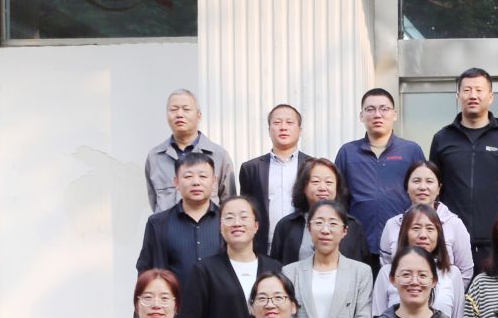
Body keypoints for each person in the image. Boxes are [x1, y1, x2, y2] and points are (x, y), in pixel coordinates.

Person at [428, 67, 498, 256]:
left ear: (491, 96)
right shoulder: (442, 138)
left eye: (479, 90)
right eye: (467, 90)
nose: (473, 95)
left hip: (496, 241)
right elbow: (436, 188)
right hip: (450, 239)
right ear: (458, 96)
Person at [283, 200, 374, 318]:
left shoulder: (361, 272)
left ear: (344, 231)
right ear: (309, 228)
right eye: (318, 223)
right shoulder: (291, 272)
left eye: (333, 223)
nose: (325, 230)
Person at [186, 195, 281, 318]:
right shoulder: (204, 270)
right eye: (229, 218)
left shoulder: (275, 269)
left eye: (244, 217)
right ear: (221, 227)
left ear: (256, 225)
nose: (237, 223)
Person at [334, 88, 428, 243]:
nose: (377, 115)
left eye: (384, 109)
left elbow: (424, 195)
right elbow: (337, 198)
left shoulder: (411, 151)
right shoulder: (348, 152)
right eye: (370, 109)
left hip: (402, 239)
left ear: (394, 114)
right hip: (358, 239)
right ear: (361, 116)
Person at [136, 152, 223, 316]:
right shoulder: (158, 224)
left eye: (203, 176)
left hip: (220, 313)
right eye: (188, 176)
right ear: (176, 182)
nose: (196, 182)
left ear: (214, 181)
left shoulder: (228, 222)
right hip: (175, 314)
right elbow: (146, 270)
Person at [369, 205, 467, 318]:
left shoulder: (452, 273)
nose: (423, 235)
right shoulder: (387, 272)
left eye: (430, 229)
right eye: (416, 228)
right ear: (405, 233)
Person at [377, 160, 476, 282]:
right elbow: (387, 267)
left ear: (439, 188)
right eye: (416, 181)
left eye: (429, 181)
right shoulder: (392, 225)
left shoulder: (454, 224)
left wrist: (448, 292)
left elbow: (465, 272)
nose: (422, 187)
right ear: (407, 187)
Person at [144, 89, 234, 213]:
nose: (179, 114)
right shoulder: (155, 157)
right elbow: (154, 201)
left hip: (207, 225)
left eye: (186, 109)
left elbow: (229, 203)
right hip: (167, 225)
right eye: (173, 109)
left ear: (199, 115)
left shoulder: (219, 155)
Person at [238, 103, 310, 256]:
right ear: (269, 129)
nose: (283, 127)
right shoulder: (251, 168)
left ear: (300, 130)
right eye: (277, 122)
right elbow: (246, 209)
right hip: (264, 246)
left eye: (289, 122)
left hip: (303, 245)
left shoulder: (312, 166)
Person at [270, 158, 373, 265]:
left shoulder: (352, 225)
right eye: (315, 182)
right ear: (303, 187)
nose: (323, 188)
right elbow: (276, 267)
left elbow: (363, 266)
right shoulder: (286, 225)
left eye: (329, 182)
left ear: (337, 187)